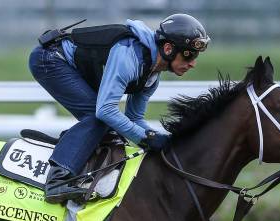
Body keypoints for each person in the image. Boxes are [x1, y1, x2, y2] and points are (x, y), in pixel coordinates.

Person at [28, 13, 210, 203]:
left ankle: (70, 145)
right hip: (50, 59)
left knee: (111, 125)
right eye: (189, 54)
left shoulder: (152, 76)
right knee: (99, 118)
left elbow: (134, 119)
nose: (193, 63)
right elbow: (105, 111)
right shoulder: (128, 56)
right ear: (168, 48)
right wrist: (146, 138)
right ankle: (57, 180)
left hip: (71, 65)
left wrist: (163, 141)